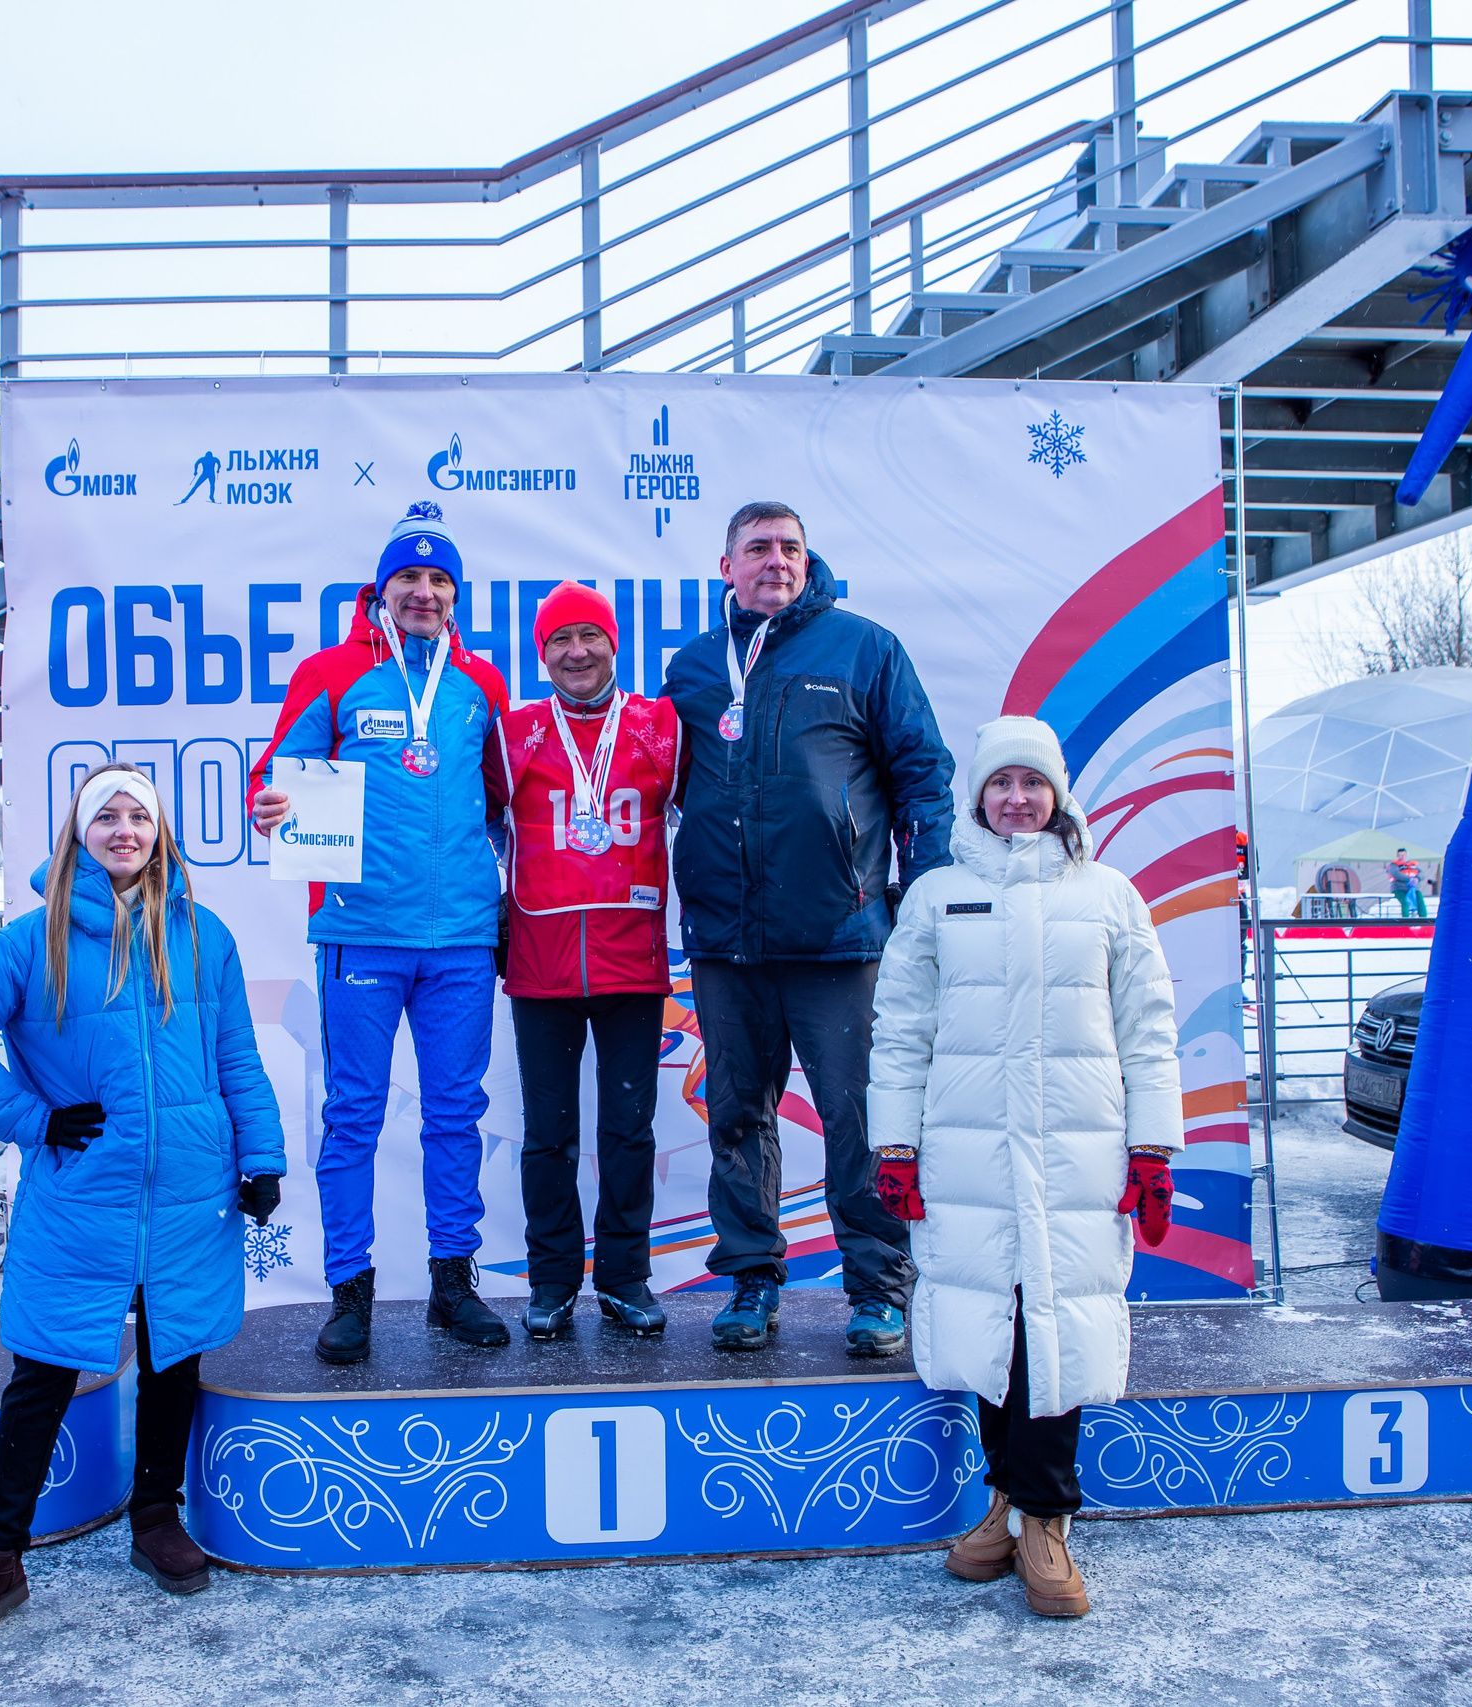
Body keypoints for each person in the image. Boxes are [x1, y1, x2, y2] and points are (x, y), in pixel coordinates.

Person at [0, 763, 284, 1652]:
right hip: (84, 1195)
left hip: (192, 1190)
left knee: (174, 1357)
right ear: (80, 831)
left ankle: (156, 1516)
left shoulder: (205, 934)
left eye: (140, 816)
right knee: (41, 1374)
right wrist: (30, 1117)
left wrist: (263, 1154)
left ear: (160, 830)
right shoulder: (29, 940)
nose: (125, 830)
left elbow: (236, 1052)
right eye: (107, 815)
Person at [868, 715, 1181, 1619]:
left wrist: (1152, 1148)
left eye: (1032, 784)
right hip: (971, 1154)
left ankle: (1046, 1519)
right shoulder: (935, 896)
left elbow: (1149, 1029)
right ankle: (1006, 1499)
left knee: (1056, 1324)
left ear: (1058, 794)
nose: (1017, 799)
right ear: (977, 796)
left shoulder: (1110, 896)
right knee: (992, 1328)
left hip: (1075, 1154)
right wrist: (896, 1145)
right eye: (1000, 784)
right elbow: (901, 1030)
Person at [662, 501, 953, 1357]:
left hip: (840, 937)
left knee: (856, 1117)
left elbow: (924, 777)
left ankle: (877, 1287)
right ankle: (752, 1278)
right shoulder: (691, 669)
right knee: (736, 1117)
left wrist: (925, 898)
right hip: (726, 942)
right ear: (727, 567)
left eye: (789, 546)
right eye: (757, 549)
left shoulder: (864, 648)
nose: (776, 561)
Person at [249, 501, 513, 1362]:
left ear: (456, 595)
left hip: (463, 941)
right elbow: (274, 778)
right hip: (360, 934)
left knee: (454, 1114)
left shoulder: (483, 684)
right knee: (353, 1114)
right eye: (410, 578)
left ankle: (452, 1283)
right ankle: (349, 1292)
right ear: (381, 590)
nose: (425, 592)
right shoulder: (330, 672)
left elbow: (507, 801)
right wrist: (271, 803)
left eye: (440, 580)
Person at [500, 582, 684, 1340]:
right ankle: (550, 1279)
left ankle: (625, 1275)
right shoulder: (513, 732)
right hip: (541, 963)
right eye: (559, 640)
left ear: (615, 643)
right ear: (541, 653)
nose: (577, 652)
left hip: (631, 960)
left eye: (590, 636)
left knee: (629, 1129)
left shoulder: (658, 724)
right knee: (548, 1132)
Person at [1389, 846, 1425, 919]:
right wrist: (1409, 879)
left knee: (1420, 900)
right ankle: (1405, 920)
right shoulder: (1394, 865)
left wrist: (1417, 879)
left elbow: (1422, 873)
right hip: (1399, 888)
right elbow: (1396, 874)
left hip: (1414, 888)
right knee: (1405, 903)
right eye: (1399, 855)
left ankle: (1424, 919)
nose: (1401, 857)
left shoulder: (1413, 865)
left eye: (1403, 855)